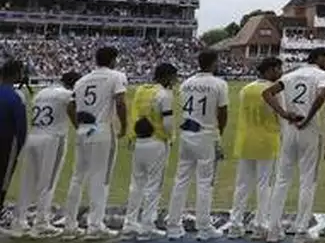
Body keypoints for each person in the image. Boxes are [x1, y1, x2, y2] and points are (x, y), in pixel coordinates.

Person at [263, 47, 325, 243]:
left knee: (282, 180)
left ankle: (273, 230)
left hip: (290, 129)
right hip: (308, 129)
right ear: (319, 57)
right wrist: (308, 118)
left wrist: (284, 114)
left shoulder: (291, 75)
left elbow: (267, 93)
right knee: (307, 180)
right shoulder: (322, 75)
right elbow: (320, 95)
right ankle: (301, 231)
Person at [63, 46, 129, 239]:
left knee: (77, 177)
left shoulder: (82, 80)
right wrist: (124, 126)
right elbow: (120, 102)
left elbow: (70, 107)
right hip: (100, 129)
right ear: (112, 60)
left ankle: (69, 225)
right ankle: (95, 226)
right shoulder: (116, 76)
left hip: (84, 129)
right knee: (101, 178)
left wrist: (78, 127)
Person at [166, 50, 229, 240]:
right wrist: (220, 132)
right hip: (206, 134)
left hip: (187, 133)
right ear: (214, 63)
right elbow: (223, 112)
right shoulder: (219, 84)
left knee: (181, 180)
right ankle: (204, 228)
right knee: (205, 183)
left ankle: (173, 226)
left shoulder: (186, 83)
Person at [12, 70, 80, 238]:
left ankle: (19, 221)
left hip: (34, 136)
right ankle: (41, 222)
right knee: (48, 182)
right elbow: (73, 107)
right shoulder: (67, 94)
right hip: (52, 138)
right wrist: (80, 126)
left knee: (27, 181)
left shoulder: (42, 93)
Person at [228, 57, 285, 239]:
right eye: (278, 69)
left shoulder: (245, 89)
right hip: (267, 141)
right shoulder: (275, 91)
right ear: (270, 70)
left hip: (245, 140)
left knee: (242, 185)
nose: (280, 73)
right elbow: (281, 117)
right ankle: (260, 225)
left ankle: (235, 225)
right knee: (264, 185)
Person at [121, 63, 178, 239]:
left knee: (136, 184)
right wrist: (171, 137)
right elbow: (168, 122)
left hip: (139, 141)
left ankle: (130, 223)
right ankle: (147, 225)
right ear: (167, 76)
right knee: (154, 185)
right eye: (173, 77)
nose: (175, 81)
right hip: (157, 140)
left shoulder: (141, 90)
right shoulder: (164, 94)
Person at [0, 60, 29, 210]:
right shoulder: (17, 96)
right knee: (4, 178)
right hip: (7, 142)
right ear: (16, 74)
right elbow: (21, 128)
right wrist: (20, 148)